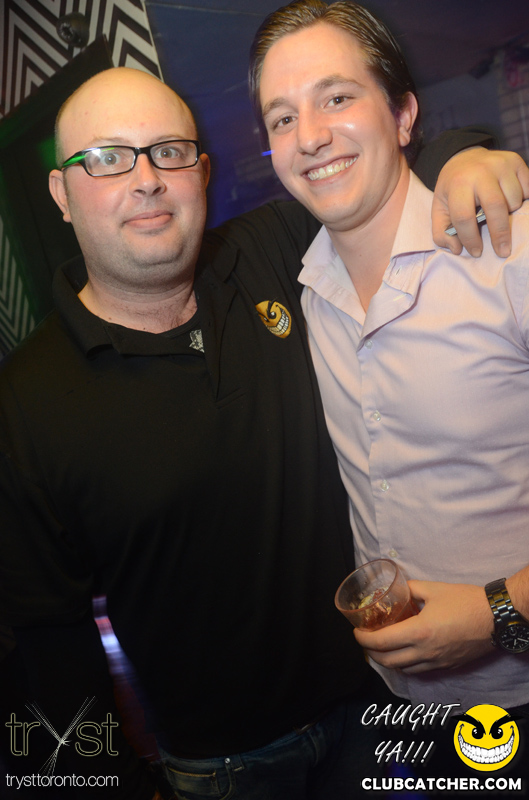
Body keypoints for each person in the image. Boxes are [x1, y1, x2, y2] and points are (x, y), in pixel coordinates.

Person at [0, 64, 526, 800]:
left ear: (201, 172)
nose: (146, 179)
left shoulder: (272, 250)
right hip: (223, 767)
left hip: (374, 705)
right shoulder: (23, 402)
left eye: (169, 152)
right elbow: (48, 642)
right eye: (108, 158)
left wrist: (459, 157)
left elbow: (370, 182)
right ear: (61, 193)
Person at [250, 0, 529, 784]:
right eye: (281, 117)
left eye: (336, 97)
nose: (308, 136)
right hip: (398, 703)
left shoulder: (509, 254)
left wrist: (496, 613)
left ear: (403, 114)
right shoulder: (305, 293)